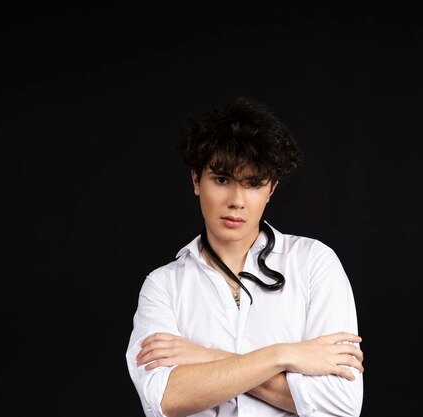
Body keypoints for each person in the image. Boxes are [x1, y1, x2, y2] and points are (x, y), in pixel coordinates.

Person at [125, 97, 364, 417]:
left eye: (253, 183)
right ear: (196, 180)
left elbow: (341, 403)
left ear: (272, 188)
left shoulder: (314, 264)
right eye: (222, 180)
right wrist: (284, 355)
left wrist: (204, 357)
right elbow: (166, 398)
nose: (236, 201)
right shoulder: (163, 285)